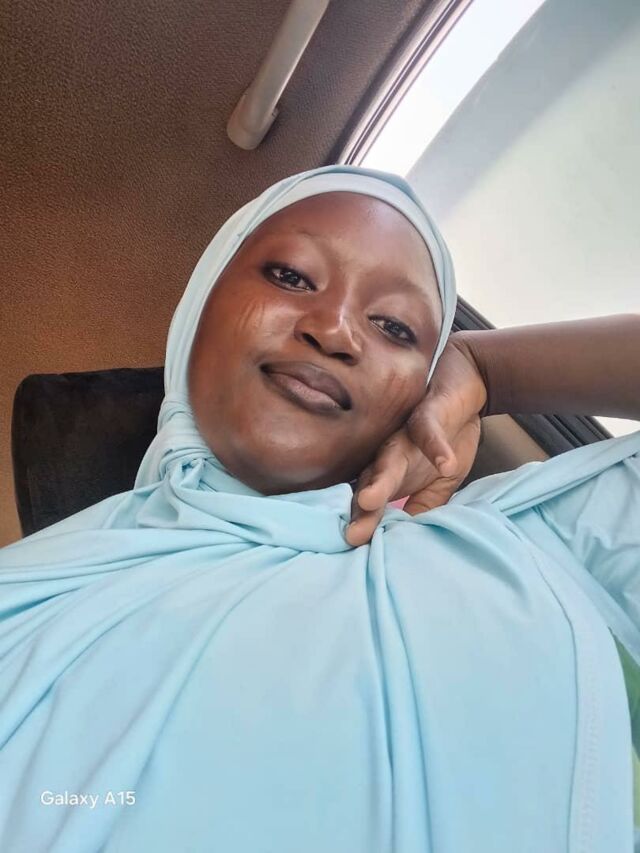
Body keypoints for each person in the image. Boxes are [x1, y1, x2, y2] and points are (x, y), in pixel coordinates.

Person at [0, 164, 639, 852]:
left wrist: (483, 368)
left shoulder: (529, 544)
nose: (335, 331)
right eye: (292, 277)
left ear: (419, 390)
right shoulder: (26, 590)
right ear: (200, 305)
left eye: (394, 326)